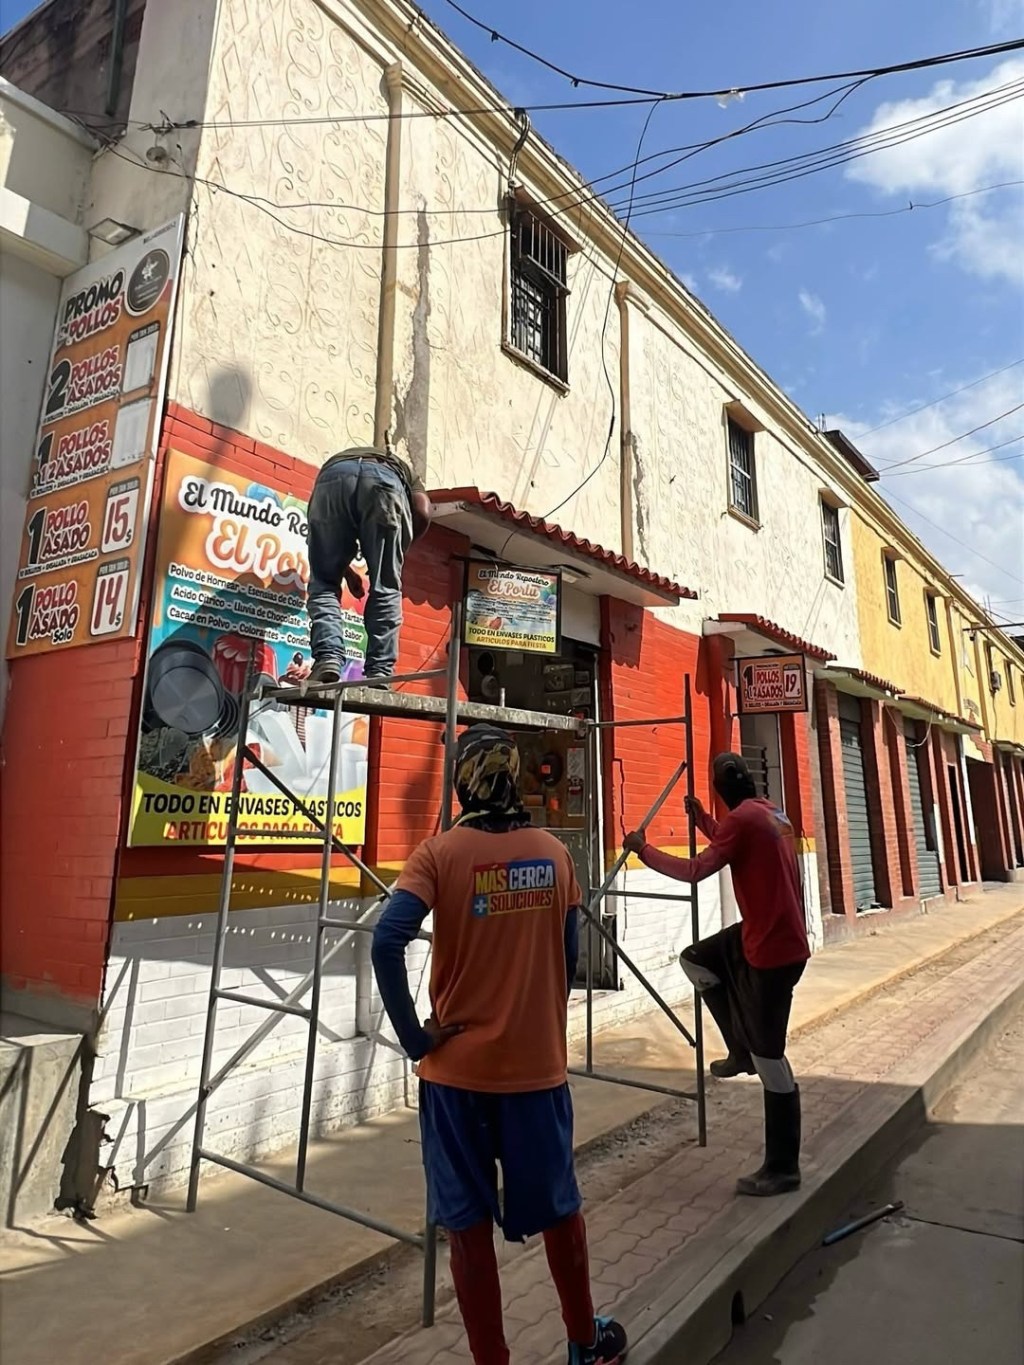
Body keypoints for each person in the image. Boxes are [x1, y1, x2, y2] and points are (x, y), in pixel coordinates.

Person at [371, 725, 628, 1365]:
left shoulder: (437, 854)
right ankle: (584, 1342)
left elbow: (386, 941)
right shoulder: (554, 854)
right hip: (534, 1070)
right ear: (513, 775)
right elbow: (568, 962)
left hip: (453, 1076)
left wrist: (413, 1037)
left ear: (462, 780)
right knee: (560, 1212)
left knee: (466, 1227)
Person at [624, 752, 809, 1198]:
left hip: (772, 952)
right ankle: (739, 1048)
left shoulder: (744, 821)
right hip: (774, 936)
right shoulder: (770, 812)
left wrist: (641, 849)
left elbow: (695, 871)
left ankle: (783, 1167)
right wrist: (703, 820)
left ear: (722, 788)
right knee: (698, 960)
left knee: (773, 1062)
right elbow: (736, 843)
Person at [306, 445, 432, 685]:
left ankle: (328, 659)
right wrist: (399, 549)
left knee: (324, 583)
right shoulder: (408, 473)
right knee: (385, 586)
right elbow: (423, 512)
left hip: (332, 478)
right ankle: (380, 671)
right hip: (386, 482)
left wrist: (345, 570)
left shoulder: (344, 458)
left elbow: (325, 546)